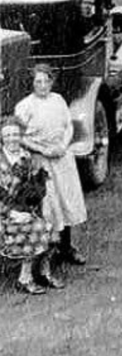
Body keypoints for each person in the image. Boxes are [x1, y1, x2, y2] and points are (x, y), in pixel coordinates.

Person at [15, 64, 88, 268]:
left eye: (46, 81)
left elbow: (69, 126)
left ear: (52, 82)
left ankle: (67, 247)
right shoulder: (25, 106)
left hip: (62, 157)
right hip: (41, 160)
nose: (43, 85)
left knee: (66, 201)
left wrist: (63, 145)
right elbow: (17, 135)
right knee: (50, 205)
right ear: (31, 84)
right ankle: (45, 253)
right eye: (38, 81)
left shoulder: (58, 100)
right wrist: (43, 150)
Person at [0, 116, 60, 294]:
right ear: (2, 138)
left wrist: (41, 208)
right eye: (7, 135)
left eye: (16, 134)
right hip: (5, 212)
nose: (12, 138)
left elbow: (37, 188)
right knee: (35, 228)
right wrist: (12, 213)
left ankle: (44, 271)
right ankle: (24, 279)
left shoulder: (27, 157)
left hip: (24, 208)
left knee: (52, 226)